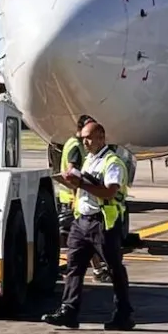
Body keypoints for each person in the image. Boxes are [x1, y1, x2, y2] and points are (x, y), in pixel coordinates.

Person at [43, 120, 135, 330]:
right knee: (74, 267)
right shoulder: (91, 159)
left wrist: (81, 183)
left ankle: (124, 314)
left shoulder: (111, 162)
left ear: (101, 138)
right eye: (83, 137)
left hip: (102, 223)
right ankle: (69, 310)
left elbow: (110, 191)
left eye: (88, 137)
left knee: (114, 269)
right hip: (82, 221)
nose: (84, 141)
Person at [59, 115, 111, 282]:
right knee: (86, 241)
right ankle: (96, 270)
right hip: (76, 198)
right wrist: (78, 191)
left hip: (75, 196)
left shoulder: (71, 143)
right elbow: (71, 171)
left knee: (82, 243)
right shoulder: (76, 146)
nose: (89, 140)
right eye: (87, 134)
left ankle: (94, 270)